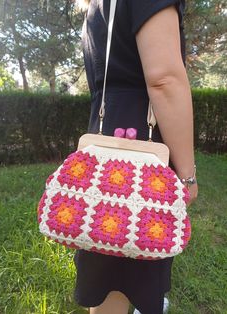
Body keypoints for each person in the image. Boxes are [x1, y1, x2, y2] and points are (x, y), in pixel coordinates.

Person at [73, 1, 198, 313]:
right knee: (133, 251)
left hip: (105, 142)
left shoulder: (95, 6)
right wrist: (187, 177)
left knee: (106, 263)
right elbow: (164, 79)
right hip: (142, 148)